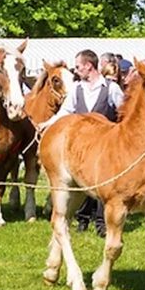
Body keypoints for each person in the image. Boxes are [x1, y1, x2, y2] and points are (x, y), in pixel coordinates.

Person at [39, 49, 125, 236]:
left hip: (105, 144)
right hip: (82, 145)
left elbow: (123, 114)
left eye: (78, 66)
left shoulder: (111, 88)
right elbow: (65, 112)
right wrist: (47, 124)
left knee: (105, 183)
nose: (76, 70)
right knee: (82, 181)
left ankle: (102, 224)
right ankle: (83, 220)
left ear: (88, 66)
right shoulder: (77, 89)